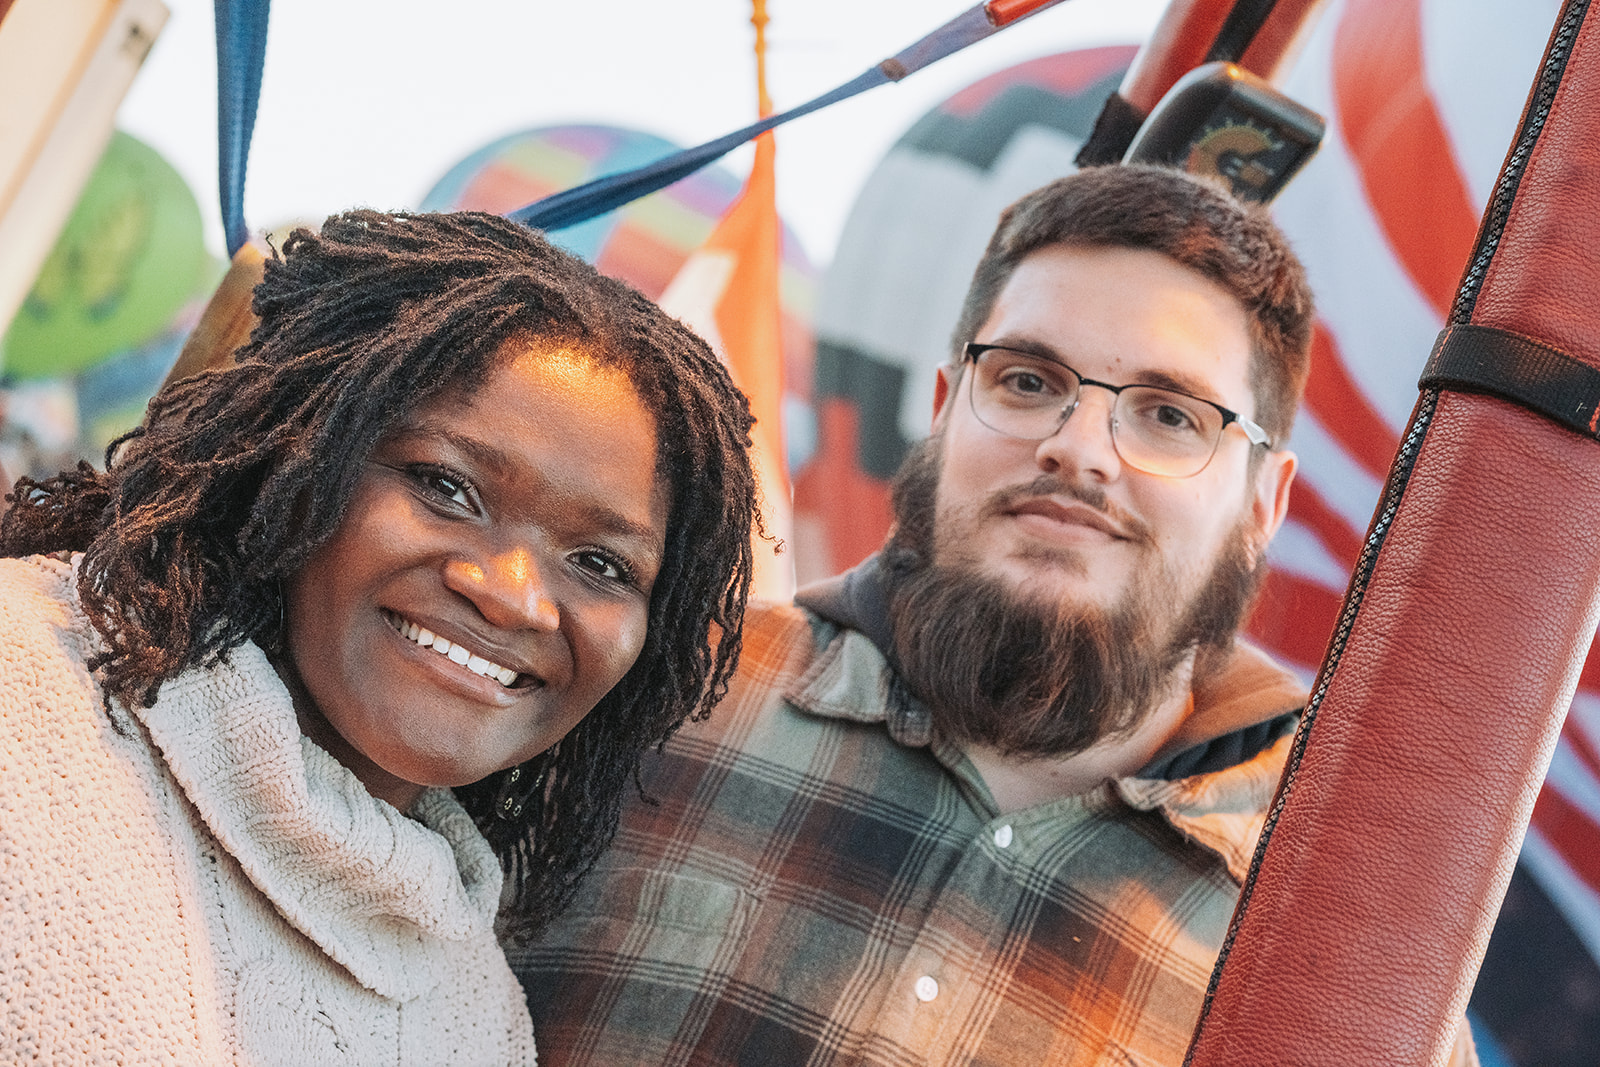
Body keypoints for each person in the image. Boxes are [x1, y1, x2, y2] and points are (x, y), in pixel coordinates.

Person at [509, 166, 1479, 1065]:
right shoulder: (648, 687)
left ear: (1262, 504)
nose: (1080, 447)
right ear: (944, 408)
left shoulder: (1351, 931)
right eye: (1026, 381)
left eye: (1169, 414)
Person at [0, 210, 759, 1064]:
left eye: (601, 563)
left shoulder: (481, 1018)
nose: (515, 599)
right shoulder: (21, 688)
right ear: (287, 452)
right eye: (445, 486)